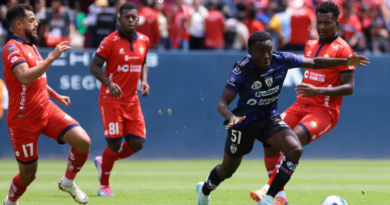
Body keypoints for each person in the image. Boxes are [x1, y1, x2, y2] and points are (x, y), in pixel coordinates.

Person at [195, 31, 369, 205]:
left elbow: (315, 62)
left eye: (269, 50)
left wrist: (345, 62)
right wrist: (231, 117)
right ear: (250, 51)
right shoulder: (242, 69)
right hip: (244, 123)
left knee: (295, 149)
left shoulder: (281, 59)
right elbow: (222, 103)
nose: (266, 55)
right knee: (227, 171)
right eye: (261, 51)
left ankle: (270, 198)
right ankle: (204, 191)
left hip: (269, 119)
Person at [249, 2, 367, 204]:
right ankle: (281, 197)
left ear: (337, 22)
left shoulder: (344, 51)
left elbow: (349, 88)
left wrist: (318, 90)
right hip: (301, 105)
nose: (322, 27)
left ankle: (268, 190)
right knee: (269, 140)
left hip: (324, 110)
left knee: (291, 142)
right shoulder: (310, 45)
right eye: (319, 22)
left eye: (327, 23)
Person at [2, 4, 91, 205]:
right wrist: (52, 56)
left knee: (83, 141)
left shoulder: (30, 45)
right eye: (31, 20)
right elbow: (25, 77)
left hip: (46, 109)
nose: (36, 23)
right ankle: (10, 201)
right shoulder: (11, 48)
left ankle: (68, 182)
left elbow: (38, 76)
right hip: (23, 119)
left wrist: (55, 95)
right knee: (28, 175)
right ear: (18, 24)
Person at [90, 2, 150, 197]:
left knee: (138, 143)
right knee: (114, 143)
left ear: (138, 19)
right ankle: (104, 185)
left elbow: (144, 62)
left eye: (134, 17)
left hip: (132, 99)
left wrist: (144, 81)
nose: (131, 20)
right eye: (127, 17)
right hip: (111, 98)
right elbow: (95, 66)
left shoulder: (144, 41)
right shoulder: (110, 41)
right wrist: (109, 83)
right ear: (120, 19)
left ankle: (103, 161)